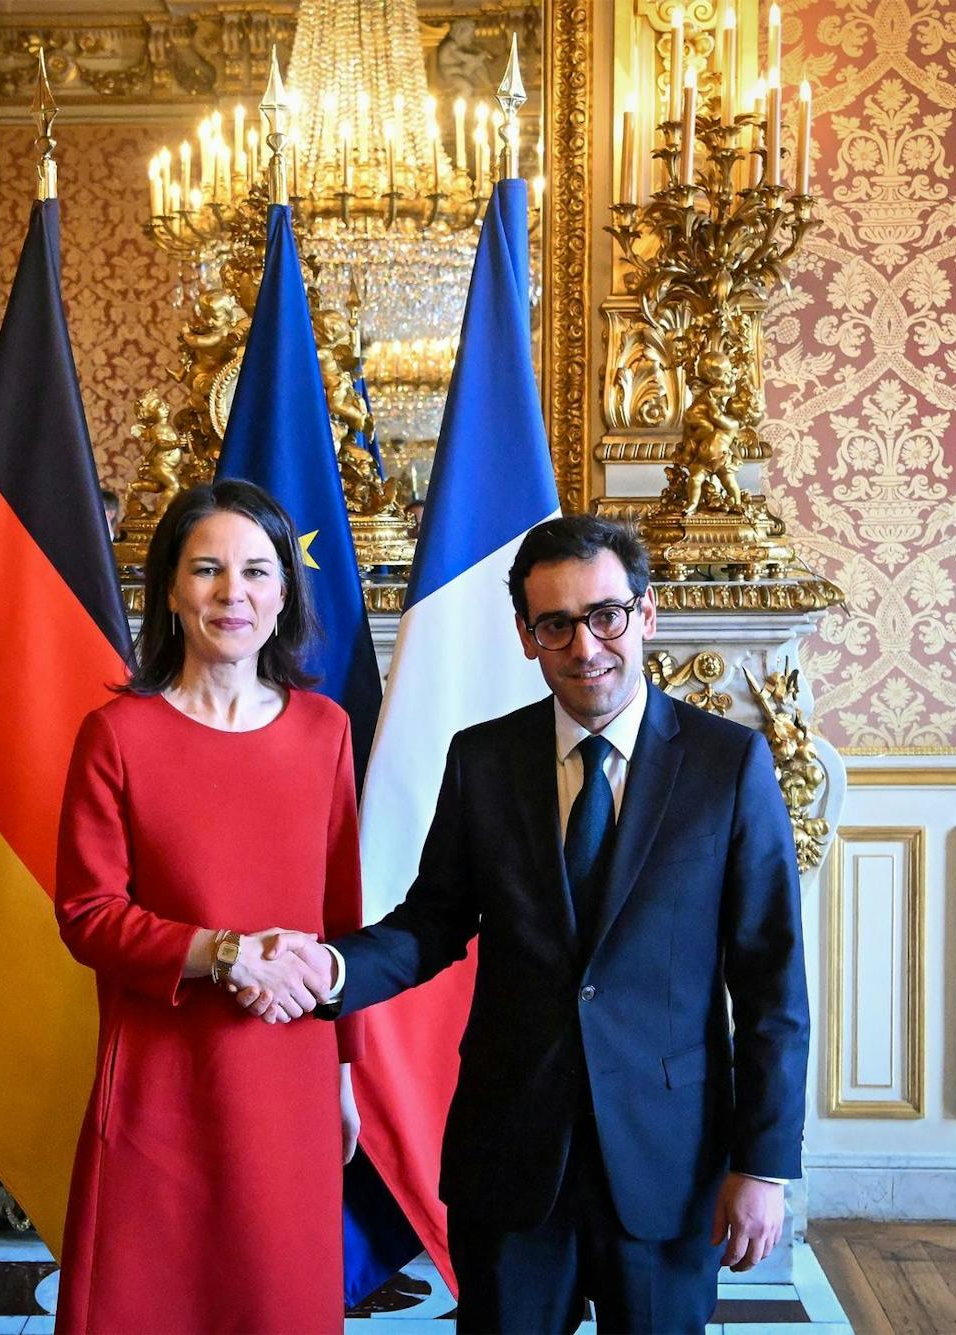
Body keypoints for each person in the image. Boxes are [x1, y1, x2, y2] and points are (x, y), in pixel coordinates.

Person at [267, 515, 809, 1334]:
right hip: (513, 1154)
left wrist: (763, 1165)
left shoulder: (729, 764)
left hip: (666, 1161)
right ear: (526, 636)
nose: (586, 646)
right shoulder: (482, 758)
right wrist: (333, 972)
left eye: (605, 616)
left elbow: (771, 982)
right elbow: (434, 920)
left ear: (645, 615)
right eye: (556, 624)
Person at [52, 479, 365, 1335]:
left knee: (278, 1301)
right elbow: (86, 911)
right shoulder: (117, 734)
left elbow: (344, 916)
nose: (234, 593)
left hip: (291, 1070)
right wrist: (224, 954)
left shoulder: (325, 729)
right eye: (208, 569)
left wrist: (344, 1074)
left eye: (258, 571)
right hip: (162, 1073)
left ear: (284, 595)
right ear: (171, 590)